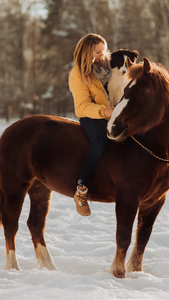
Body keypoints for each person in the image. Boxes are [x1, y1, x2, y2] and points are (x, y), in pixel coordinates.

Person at [68, 33, 114, 216]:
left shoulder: (109, 67)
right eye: (98, 52)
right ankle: (81, 190)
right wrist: (104, 111)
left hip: (114, 113)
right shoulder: (78, 74)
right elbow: (82, 106)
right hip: (92, 116)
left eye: (104, 50)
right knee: (100, 143)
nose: (102, 55)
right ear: (87, 53)